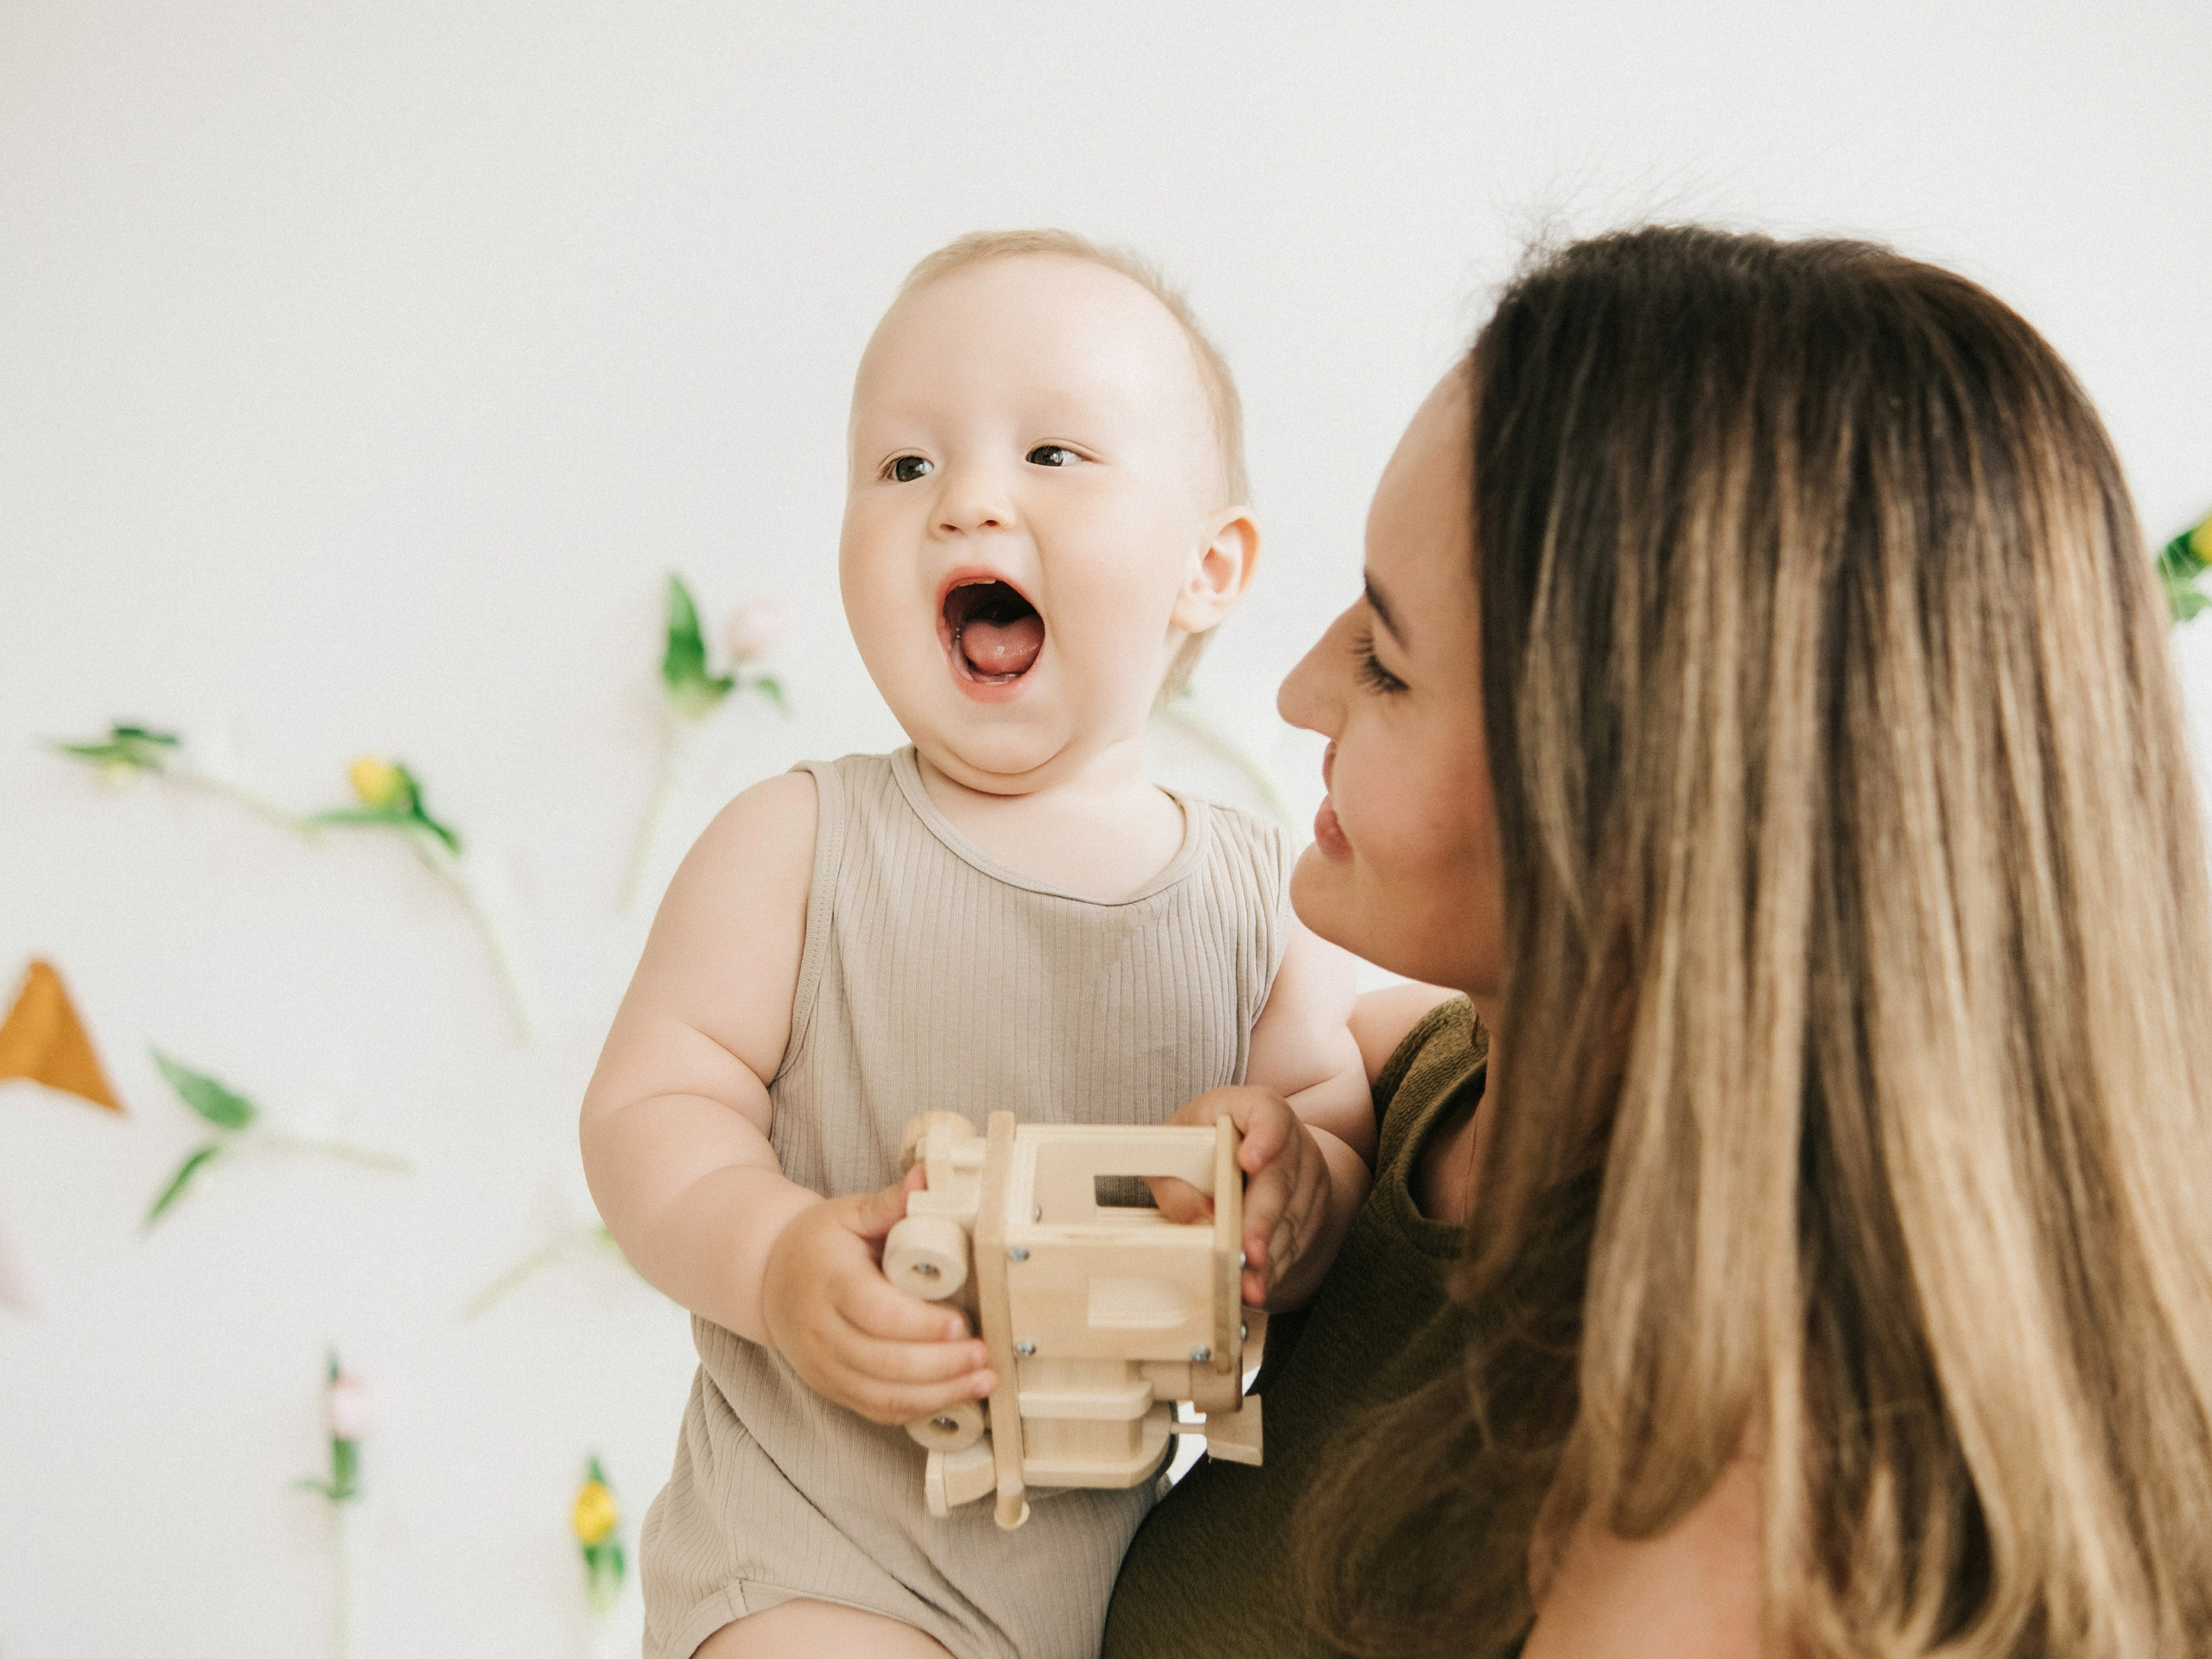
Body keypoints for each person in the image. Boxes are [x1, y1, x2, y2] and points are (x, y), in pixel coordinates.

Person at [1104, 225, 2212, 1658]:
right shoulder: (1452, 1091)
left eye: (1388, 659)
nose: (1306, 691)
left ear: (1651, 801)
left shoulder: (1725, 1500)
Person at [578, 229, 1373, 1659]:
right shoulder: (797, 846)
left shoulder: (1263, 896)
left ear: (1210, 568)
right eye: (905, 467)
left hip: (1111, 1588)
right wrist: (772, 1260)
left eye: (1054, 456)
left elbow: (1331, 1137)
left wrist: (1293, 1189)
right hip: (817, 1559)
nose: (965, 506)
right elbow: (650, 1112)